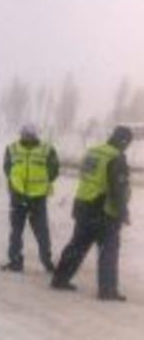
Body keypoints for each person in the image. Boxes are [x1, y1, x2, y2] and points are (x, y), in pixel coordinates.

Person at [51, 126, 134, 301]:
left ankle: (60, 279)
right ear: (124, 141)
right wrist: (122, 212)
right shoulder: (115, 157)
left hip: (83, 204)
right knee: (108, 251)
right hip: (103, 209)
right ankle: (107, 290)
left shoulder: (94, 151)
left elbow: (87, 176)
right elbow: (117, 189)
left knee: (77, 244)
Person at [1, 124, 59, 273]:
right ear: (21, 134)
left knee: (42, 232)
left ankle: (47, 262)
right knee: (16, 232)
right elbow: (7, 168)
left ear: (35, 135)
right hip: (18, 196)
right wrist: (16, 184)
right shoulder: (12, 148)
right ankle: (15, 262)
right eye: (25, 134)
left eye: (30, 135)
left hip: (38, 198)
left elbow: (54, 170)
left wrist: (41, 182)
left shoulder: (47, 149)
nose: (27, 137)